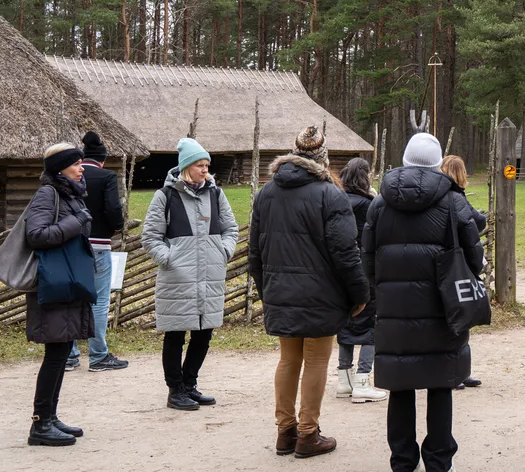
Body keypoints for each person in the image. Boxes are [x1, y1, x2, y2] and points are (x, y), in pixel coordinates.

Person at [363, 132, 484, 472]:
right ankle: (439, 460)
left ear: (404, 159)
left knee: (400, 386)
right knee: (441, 382)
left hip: (395, 309)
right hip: (442, 308)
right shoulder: (453, 200)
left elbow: (367, 257)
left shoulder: (380, 202)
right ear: (437, 163)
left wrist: (383, 290)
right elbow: (474, 256)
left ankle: (402, 460)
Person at [250, 125, 371, 458]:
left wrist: (266, 291)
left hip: (280, 290)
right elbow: (346, 253)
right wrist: (360, 293)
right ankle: (307, 433)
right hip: (321, 295)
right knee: (316, 361)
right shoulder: (330, 194)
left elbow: (255, 251)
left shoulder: (266, 193)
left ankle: (285, 431)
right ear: (322, 157)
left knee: (288, 360)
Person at [141, 137, 240, 412]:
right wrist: (169, 258)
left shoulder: (216, 194)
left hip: (210, 274)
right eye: (200, 165)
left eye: (207, 165)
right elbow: (150, 236)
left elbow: (231, 229)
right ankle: (175, 390)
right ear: (187, 167)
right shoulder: (166, 196)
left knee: (204, 332)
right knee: (175, 334)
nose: (205, 170)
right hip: (178, 277)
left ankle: (190, 383)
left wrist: (224, 251)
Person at [24, 143, 96, 446]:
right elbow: (36, 236)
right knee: (55, 355)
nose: (82, 168)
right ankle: (40, 424)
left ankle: (50, 417)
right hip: (54, 284)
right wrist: (75, 221)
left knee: (63, 351)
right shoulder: (48, 194)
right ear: (60, 168)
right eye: (77, 163)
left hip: (69, 282)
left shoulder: (68, 194)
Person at [66, 131, 129, 373]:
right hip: (100, 244)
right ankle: (98, 355)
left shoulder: (70, 176)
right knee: (99, 301)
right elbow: (113, 207)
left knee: (71, 299)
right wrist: (117, 226)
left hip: (73, 244)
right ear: (101, 160)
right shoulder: (106, 177)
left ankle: (70, 356)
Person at [335, 156, 387, 404]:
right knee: (370, 325)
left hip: (341, 271)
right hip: (366, 269)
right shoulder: (369, 205)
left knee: (346, 322)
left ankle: (344, 378)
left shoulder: (336, 201)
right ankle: (363, 381)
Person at [440, 154, 485, 391]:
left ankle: (458, 371)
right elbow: (476, 222)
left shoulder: (441, 195)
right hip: (457, 263)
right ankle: (456, 372)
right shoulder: (456, 197)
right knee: (459, 318)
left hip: (442, 261)